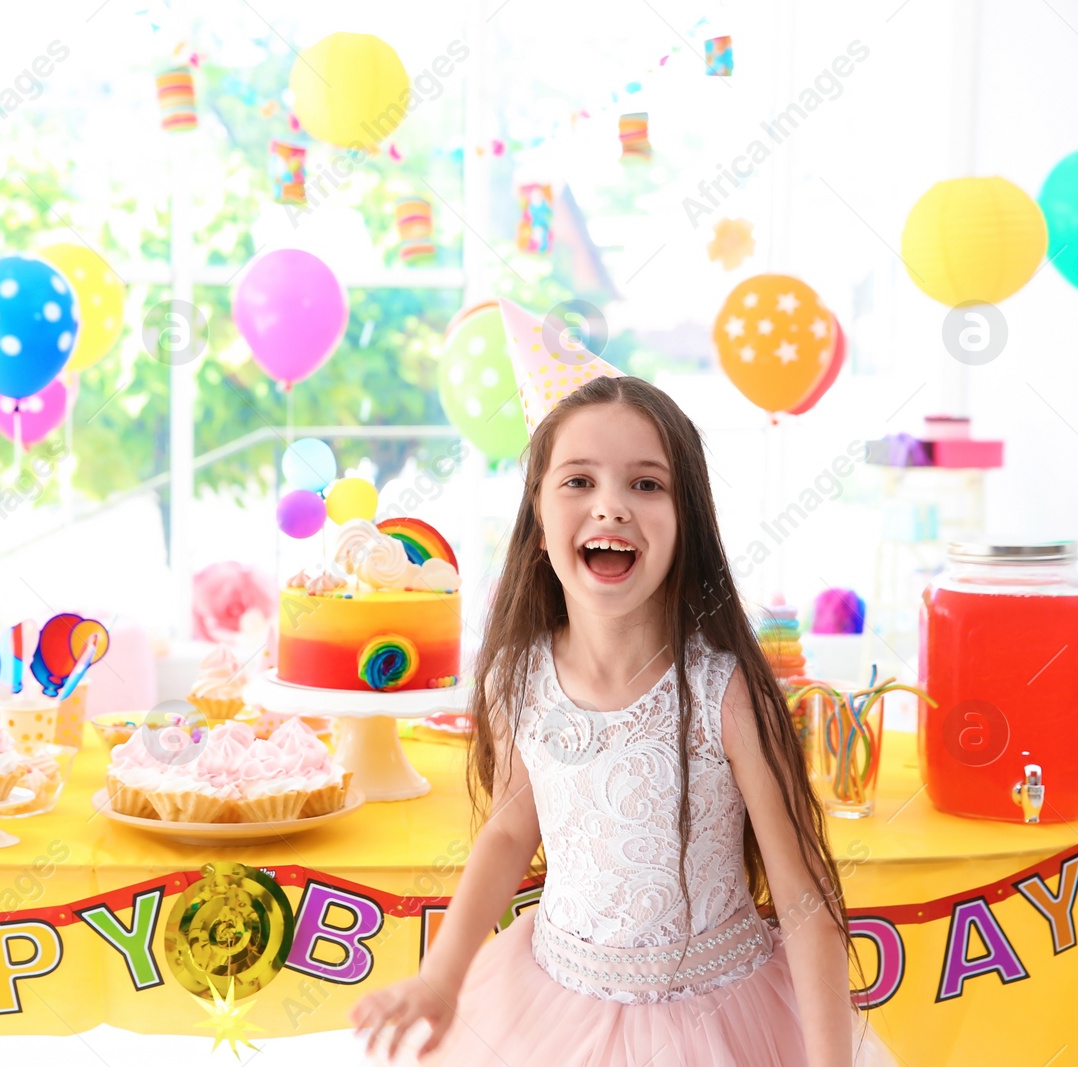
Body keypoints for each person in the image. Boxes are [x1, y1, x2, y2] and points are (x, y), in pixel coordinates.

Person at [349, 373, 898, 1066]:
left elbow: (802, 897)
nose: (611, 506)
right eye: (579, 480)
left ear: (687, 523)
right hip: (549, 1003)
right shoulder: (514, 679)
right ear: (539, 524)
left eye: (646, 483)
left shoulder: (724, 693)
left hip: (719, 1014)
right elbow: (512, 827)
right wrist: (440, 977)